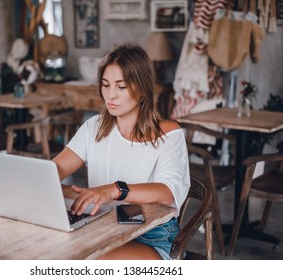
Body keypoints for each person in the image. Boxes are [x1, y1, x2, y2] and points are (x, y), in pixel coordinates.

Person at [53, 44, 190, 260]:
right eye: (106, 85)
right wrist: (30, 179)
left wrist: (114, 190)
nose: (111, 95)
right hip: (104, 228)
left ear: (143, 89)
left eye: (121, 86)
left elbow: (167, 193)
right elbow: (57, 168)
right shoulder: (94, 127)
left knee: (83, 260)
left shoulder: (169, 133)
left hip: (152, 238)